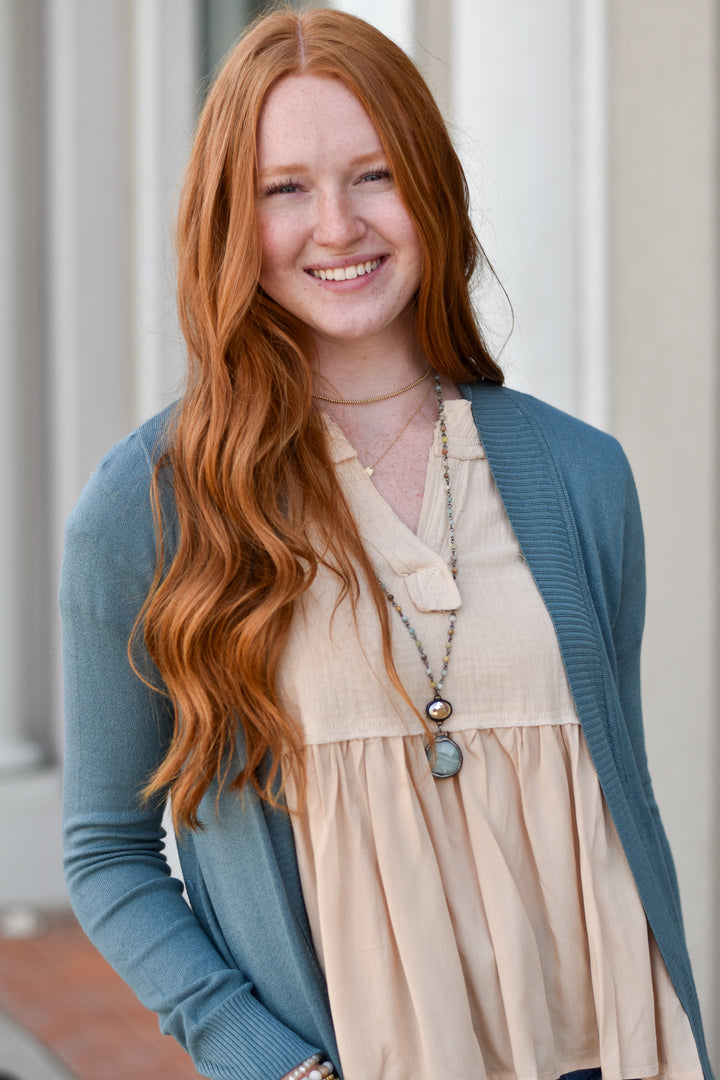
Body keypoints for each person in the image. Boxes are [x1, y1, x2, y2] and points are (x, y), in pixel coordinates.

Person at [60, 8, 714, 1080]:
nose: (337, 226)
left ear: (431, 189)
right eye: (285, 189)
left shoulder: (584, 478)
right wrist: (268, 1061)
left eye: (374, 175)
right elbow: (106, 851)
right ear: (231, 216)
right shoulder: (155, 507)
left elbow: (607, 811)